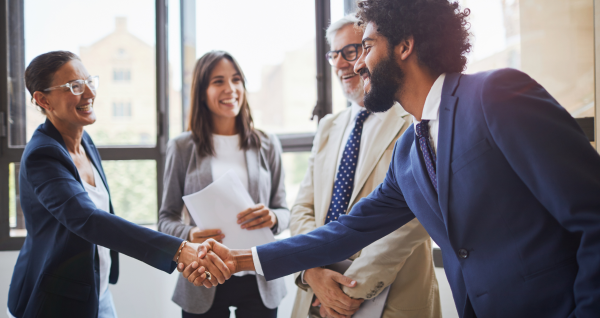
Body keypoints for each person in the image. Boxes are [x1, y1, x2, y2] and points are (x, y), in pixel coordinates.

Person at [182, 1, 600, 317]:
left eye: (365, 47)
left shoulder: (495, 95)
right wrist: (242, 259)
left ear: (405, 44)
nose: (357, 63)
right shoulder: (409, 153)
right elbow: (346, 231)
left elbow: (593, 213)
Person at [7, 51, 217, 318]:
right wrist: (178, 250)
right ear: (42, 99)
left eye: (89, 82)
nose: (88, 94)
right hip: (54, 300)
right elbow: (89, 220)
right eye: (74, 86)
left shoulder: (85, 142)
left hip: (96, 291)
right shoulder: (43, 155)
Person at [289, 14, 440, 318]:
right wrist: (312, 272)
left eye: (352, 50)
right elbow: (302, 209)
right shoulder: (329, 126)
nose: (343, 63)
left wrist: (348, 289)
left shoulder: (412, 118)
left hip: (392, 300)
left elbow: (415, 218)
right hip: (317, 297)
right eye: (335, 55)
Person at [158, 50, 289, 318]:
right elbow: (165, 220)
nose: (230, 89)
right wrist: (190, 235)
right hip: (203, 274)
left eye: (236, 79)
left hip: (258, 275)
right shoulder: (182, 147)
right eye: (218, 81)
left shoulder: (267, 143)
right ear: (202, 92)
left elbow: (285, 211)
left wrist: (273, 217)